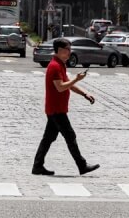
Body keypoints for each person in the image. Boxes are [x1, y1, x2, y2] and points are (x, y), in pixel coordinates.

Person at [32, 38, 99, 176]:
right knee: (70, 136)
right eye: (68, 49)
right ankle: (82, 165)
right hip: (56, 110)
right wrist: (77, 79)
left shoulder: (60, 64)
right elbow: (60, 87)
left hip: (55, 109)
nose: (70, 52)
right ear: (60, 50)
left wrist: (84, 94)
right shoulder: (55, 66)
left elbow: (67, 84)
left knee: (48, 138)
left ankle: (37, 166)